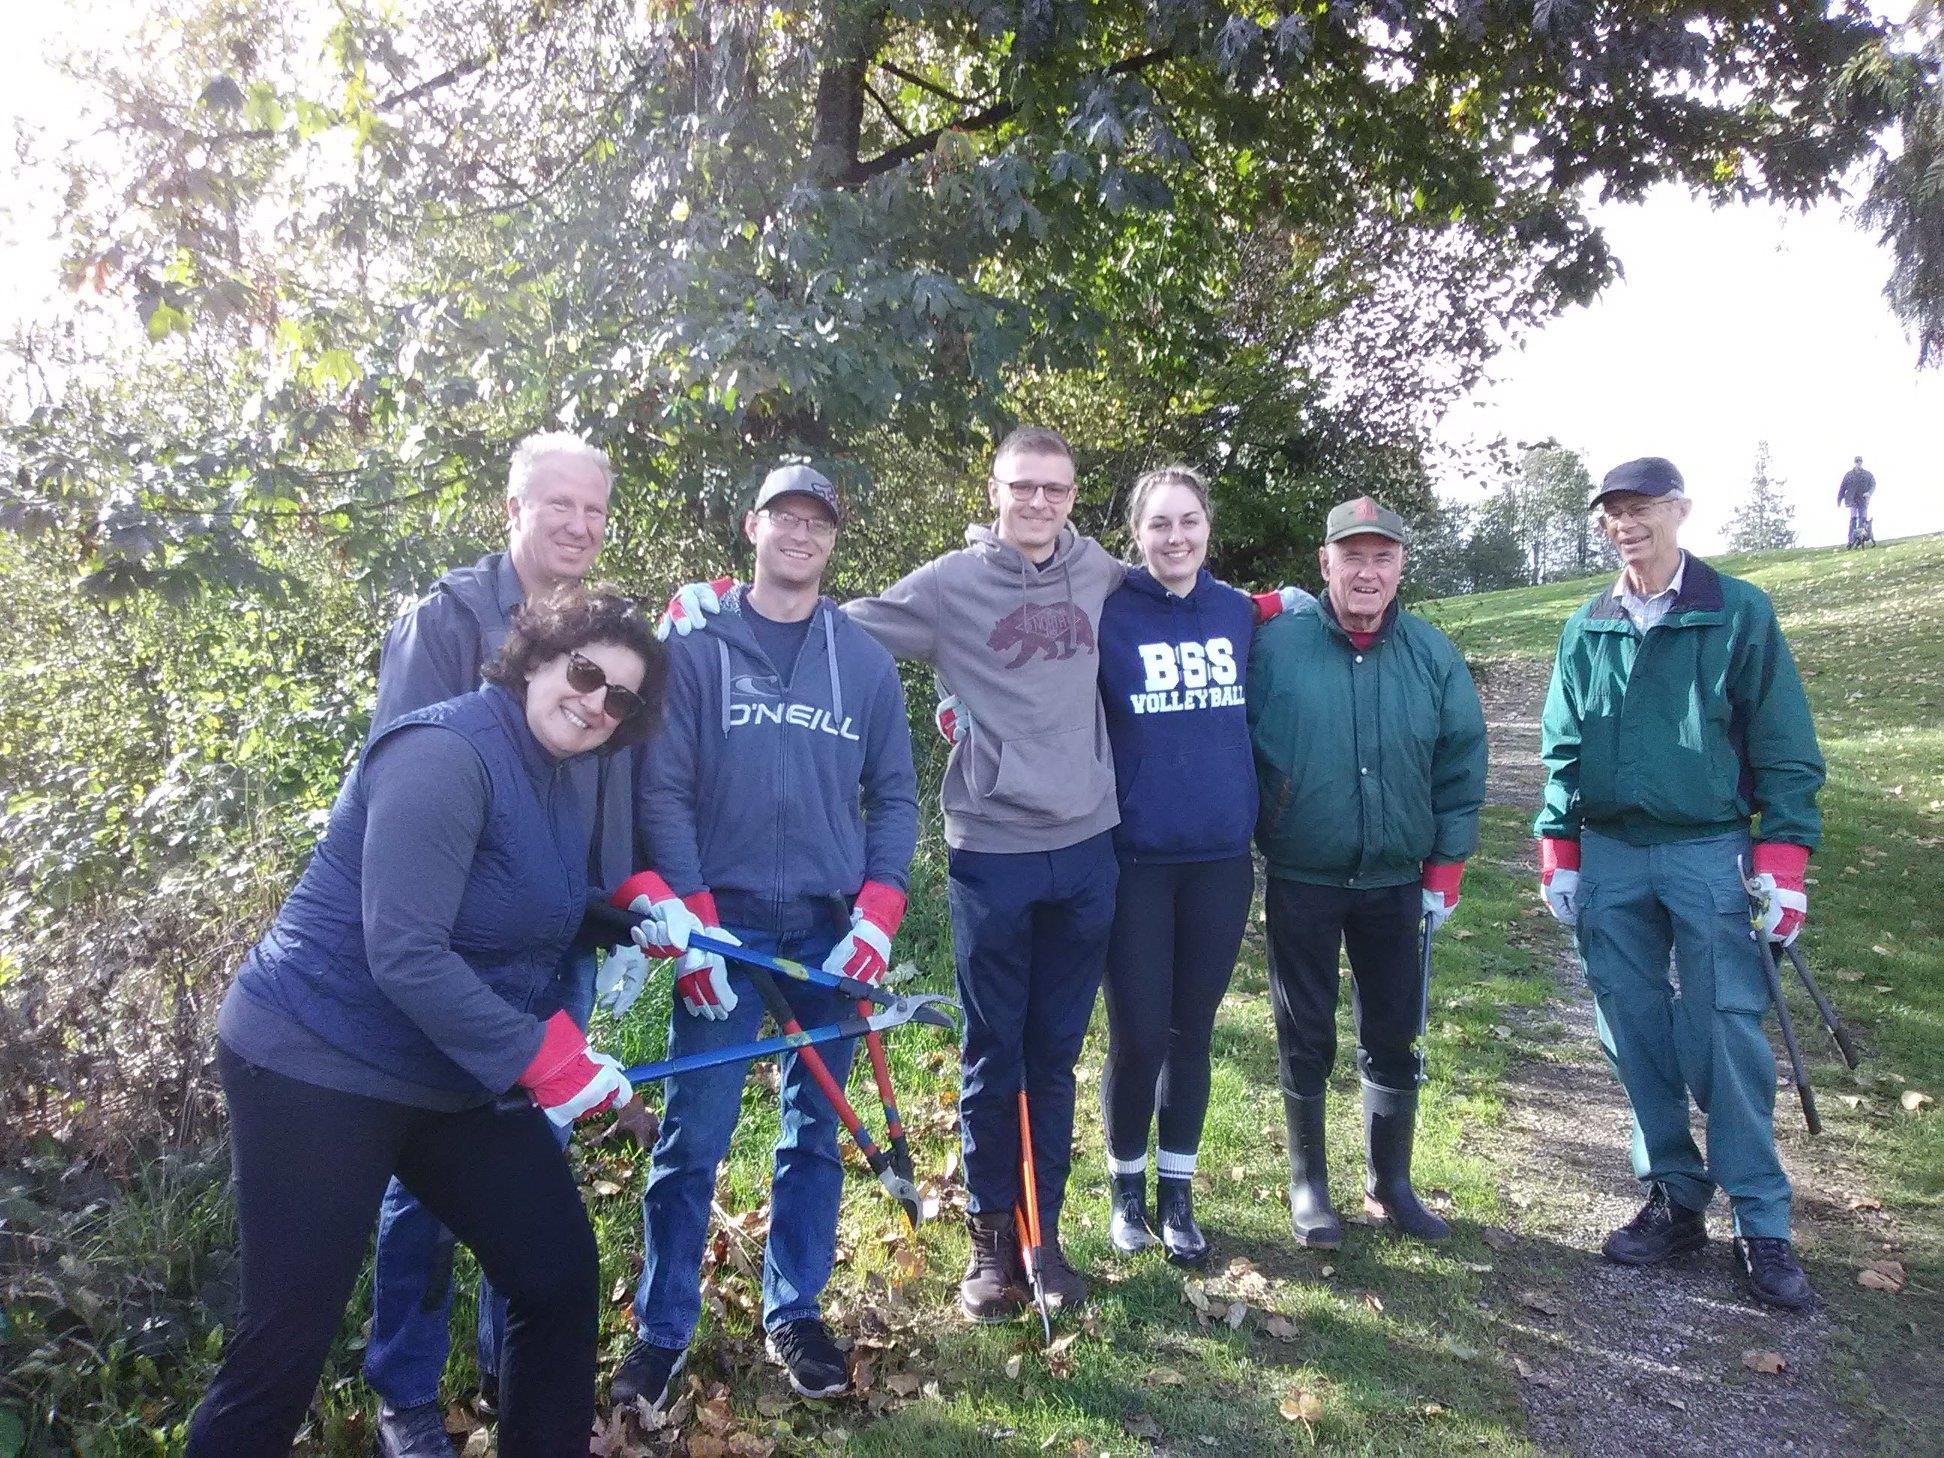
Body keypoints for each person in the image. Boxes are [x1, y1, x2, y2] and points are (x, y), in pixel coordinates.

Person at [659, 431, 1304, 1321]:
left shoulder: (1098, 571)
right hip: (990, 853)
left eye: (1056, 489)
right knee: (993, 1051)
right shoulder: (948, 585)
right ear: (995, 490)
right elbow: (828, 619)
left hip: (1087, 851)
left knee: (1056, 1052)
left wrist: (1270, 602)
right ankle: (991, 1242)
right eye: (1023, 488)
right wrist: (723, 600)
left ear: (1075, 496)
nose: (1039, 504)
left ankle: (1048, 1236)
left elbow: (1175, 584)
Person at [187, 586, 669, 1458]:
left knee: (555, 1274)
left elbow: (522, 896)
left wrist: (633, 922)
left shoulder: (560, 770)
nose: (598, 703)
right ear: (537, 658)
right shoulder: (444, 752)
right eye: (587, 673)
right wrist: (547, 1055)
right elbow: (404, 950)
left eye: (621, 697)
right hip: (317, 1059)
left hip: (442, 1068)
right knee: (283, 1345)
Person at [359, 432, 647, 1454]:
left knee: (531, 1166)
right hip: (448, 960)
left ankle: (509, 1370)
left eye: (595, 511)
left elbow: (602, 790)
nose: (578, 525)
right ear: (512, 509)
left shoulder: (598, 635)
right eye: (559, 505)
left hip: (553, 938)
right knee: (427, 1179)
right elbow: (402, 786)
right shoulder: (447, 618)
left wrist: (634, 904)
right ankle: (401, 1389)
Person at [612, 465, 919, 1409]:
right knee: (693, 1133)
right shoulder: (698, 647)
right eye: (785, 514)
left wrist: (879, 912)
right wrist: (694, 925)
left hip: (828, 929)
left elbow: (896, 798)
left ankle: (796, 1312)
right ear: (753, 526)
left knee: (812, 1130)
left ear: (835, 538)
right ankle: (663, 1334)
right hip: (724, 928)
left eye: (818, 520)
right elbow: (659, 791)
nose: (801, 532)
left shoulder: (861, 660)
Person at [1535, 456, 1826, 1309]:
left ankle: (1761, 1219)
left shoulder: (1736, 614)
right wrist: (1559, 844)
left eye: (1643, 509)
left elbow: (1784, 746)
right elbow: (1561, 747)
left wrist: (1785, 863)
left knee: (1726, 1027)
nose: (1627, 525)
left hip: (1710, 851)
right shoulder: (1586, 625)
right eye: (1613, 514)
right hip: (1614, 853)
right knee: (1628, 1025)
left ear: (1681, 512)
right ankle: (1674, 1194)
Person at [1248, 496, 1486, 1250]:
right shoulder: (1275, 647)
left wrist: (1446, 863)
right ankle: (1309, 1184)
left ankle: (1393, 1183)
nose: (1367, 572)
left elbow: (1460, 760)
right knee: (1306, 1030)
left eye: (1383, 558)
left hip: (1396, 878)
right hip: (1304, 871)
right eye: (1353, 557)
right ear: (1326, 564)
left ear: (1401, 568)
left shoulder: (1431, 655)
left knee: (1393, 1027)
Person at [1096, 465, 1280, 1266]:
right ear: (1136, 533)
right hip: (1134, 859)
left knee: (1190, 1032)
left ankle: (1178, 1193)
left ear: (1209, 526)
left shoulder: (1240, 613)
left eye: (1189, 521)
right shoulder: (1107, 610)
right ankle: (1125, 1191)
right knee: (1137, 1035)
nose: (1175, 537)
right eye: (1159, 523)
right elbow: (1022, 652)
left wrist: (1285, 602)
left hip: (1219, 860)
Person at [1837, 455, 1876, 548]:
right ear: (1854, 462)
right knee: (1853, 520)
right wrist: (1839, 499)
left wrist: (1869, 492)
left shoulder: (1867, 474)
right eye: (1857, 461)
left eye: (1860, 461)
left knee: (1863, 520)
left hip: (1863, 501)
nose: (1858, 462)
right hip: (1852, 501)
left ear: (1862, 462)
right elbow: (1842, 487)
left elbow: (1873, 484)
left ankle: (1860, 540)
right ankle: (1851, 541)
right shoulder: (1848, 475)